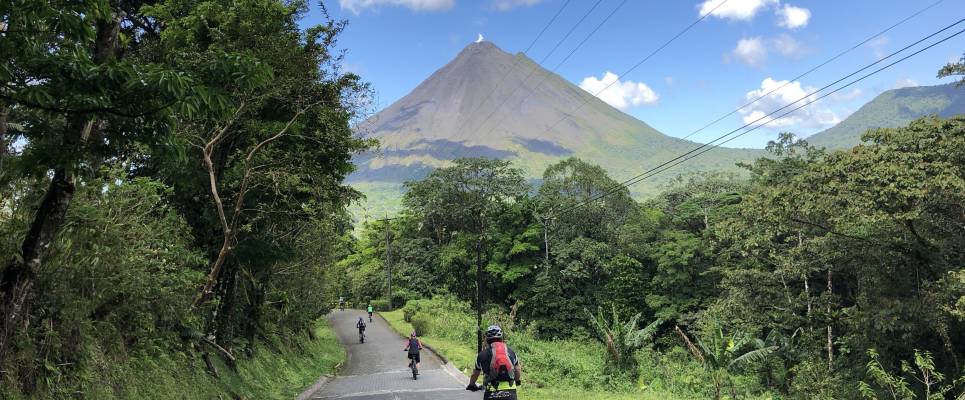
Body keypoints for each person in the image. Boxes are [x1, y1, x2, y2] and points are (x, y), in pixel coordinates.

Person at [466, 325, 521, 399]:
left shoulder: (482, 355)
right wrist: (517, 381)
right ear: (501, 338)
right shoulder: (511, 352)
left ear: (487, 339)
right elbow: (517, 370)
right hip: (510, 392)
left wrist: (471, 385)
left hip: (491, 392)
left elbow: (475, 374)